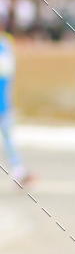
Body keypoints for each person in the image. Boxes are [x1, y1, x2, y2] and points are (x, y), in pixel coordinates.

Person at [0, 29, 32, 185]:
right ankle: (18, 168)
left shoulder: (5, 45)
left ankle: (18, 169)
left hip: (3, 103)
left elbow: (6, 71)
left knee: (8, 138)